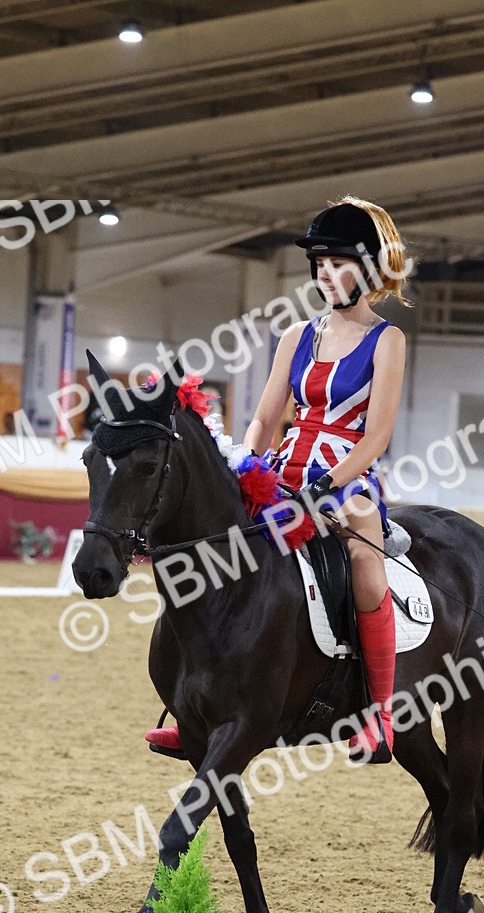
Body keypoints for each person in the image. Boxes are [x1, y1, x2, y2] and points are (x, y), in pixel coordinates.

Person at [146, 196, 410, 763]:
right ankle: (189, 709)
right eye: (318, 264)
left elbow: (377, 437)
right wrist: (244, 467)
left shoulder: (388, 340)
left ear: (366, 269)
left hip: (346, 477)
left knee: (365, 565)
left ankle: (380, 714)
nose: (324, 274)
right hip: (282, 468)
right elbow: (266, 418)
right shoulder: (295, 337)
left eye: (336, 263)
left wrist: (328, 485)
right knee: (214, 551)